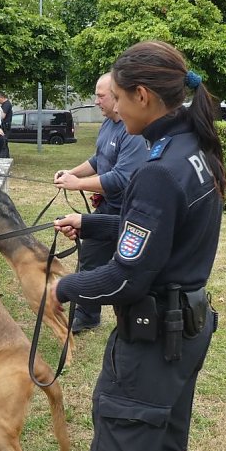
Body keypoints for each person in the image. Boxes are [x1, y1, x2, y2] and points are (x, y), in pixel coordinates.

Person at [44, 41, 226, 451]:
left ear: (144, 96)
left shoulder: (159, 167)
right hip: (186, 328)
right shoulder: (191, 146)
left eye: (119, 98)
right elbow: (155, 230)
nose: (115, 110)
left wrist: (63, 287)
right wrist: (94, 224)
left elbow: (127, 278)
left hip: (153, 336)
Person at [54, 72, 148, 333]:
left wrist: (78, 184)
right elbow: (98, 160)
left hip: (129, 211)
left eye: (100, 95)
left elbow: (120, 178)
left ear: (116, 97)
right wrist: (71, 173)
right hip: (107, 206)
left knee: (131, 266)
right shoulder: (107, 124)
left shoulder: (132, 132)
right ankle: (88, 315)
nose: (96, 101)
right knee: (91, 258)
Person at [0, 91, 13, 155]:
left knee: (3, 142)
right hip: (4, 126)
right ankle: (5, 155)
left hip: (5, 126)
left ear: (2, 97)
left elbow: (2, 116)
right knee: (3, 142)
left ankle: (3, 156)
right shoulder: (5, 104)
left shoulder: (6, 104)